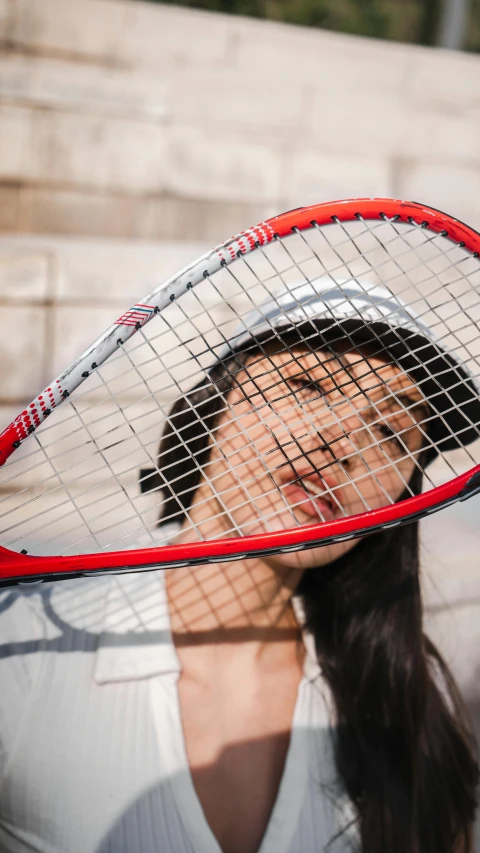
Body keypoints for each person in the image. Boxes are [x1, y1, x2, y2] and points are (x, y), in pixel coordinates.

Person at [0, 281, 478, 853]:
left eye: (389, 432)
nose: (341, 442)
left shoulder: (412, 713)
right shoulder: (19, 648)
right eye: (306, 385)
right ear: (214, 408)